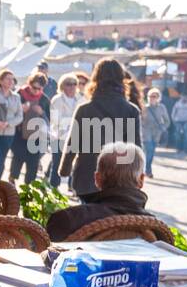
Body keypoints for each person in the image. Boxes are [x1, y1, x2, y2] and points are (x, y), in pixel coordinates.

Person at [60, 58, 141, 196]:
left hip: (87, 175)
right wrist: (137, 176)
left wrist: (65, 170)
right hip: (117, 177)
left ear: (96, 78)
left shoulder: (84, 109)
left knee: (89, 215)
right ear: (121, 78)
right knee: (111, 216)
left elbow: (73, 143)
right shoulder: (131, 110)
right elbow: (135, 147)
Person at [45, 141, 153, 241]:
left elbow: (46, 257)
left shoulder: (67, 220)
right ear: (141, 180)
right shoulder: (156, 229)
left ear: (97, 179)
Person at [10, 72, 51, 184]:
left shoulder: (44, 100)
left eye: (39, 88)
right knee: (17, 158)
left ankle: (29, 188)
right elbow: (10, 111)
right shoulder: (19, 94)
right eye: (34, 87)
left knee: (33, 163)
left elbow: (50, 120)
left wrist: (42, 112)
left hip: (36, 137)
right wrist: (20, 109)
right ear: (29, 84)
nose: (36, 91)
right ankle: (11, 182)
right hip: (19, 134)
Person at [48, 73, 82, 188]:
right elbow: (55, 121)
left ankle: (72, 187)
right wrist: (73, 123)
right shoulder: (57, 100)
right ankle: (53, 188)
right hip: (58, 137)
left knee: (75, 163)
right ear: (63, 86)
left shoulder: (81, 99)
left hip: (75, 137)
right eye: (69, 84)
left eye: (74, 84)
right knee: (57, 163)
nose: (72, 87)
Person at [0, 68, 22, 179]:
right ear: (1, 80)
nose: (10, 82)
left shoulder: (16, 97)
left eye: (12, 80)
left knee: (2, 160)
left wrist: (8, 123)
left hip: (9, 133)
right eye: (8, 79)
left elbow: (19, 116)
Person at [141, 87, 171, 176]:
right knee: (149, 149)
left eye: (154, 96)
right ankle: (147, 170)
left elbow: (167, 121)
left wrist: (163, 128)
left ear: (158, 98)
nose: (152, 98)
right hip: (146, 132)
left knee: (152, 152)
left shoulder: (162, 108)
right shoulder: (144, 108)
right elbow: (140, 120)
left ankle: (147, 169)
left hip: (157, 133)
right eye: (150, 96)